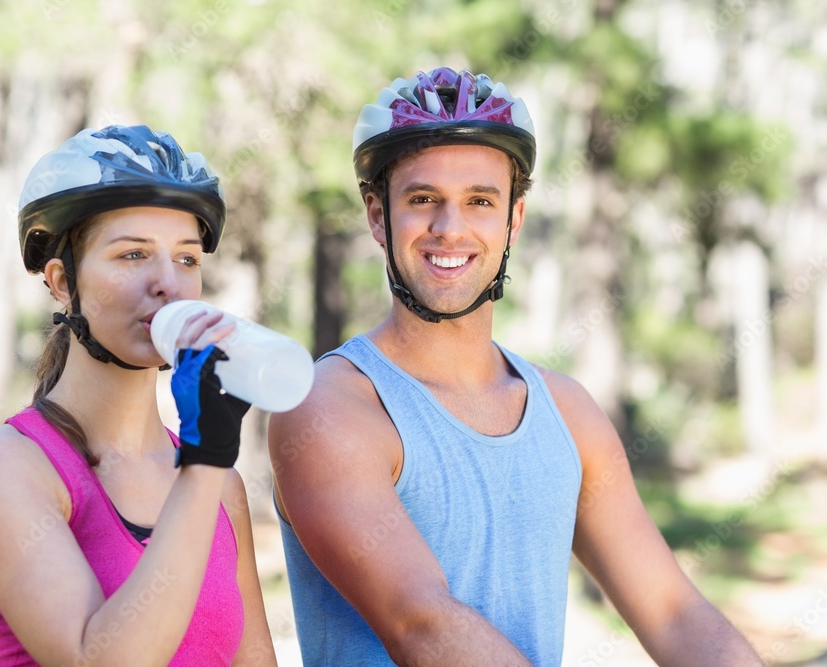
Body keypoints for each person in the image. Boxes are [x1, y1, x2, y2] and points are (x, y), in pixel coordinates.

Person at [269, 67, 762, 666]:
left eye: (480, 201)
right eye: (423, 199)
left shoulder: (568, 412)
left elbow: (674, 614)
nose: (450, 229)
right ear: (378, 215)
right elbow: (421, 624)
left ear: (514, 220)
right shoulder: (331, 407)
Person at [0, 125, 276, 666]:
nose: (169, 284)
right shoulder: (3, 466)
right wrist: (205, 458)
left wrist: (205, 464)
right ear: (61, 281)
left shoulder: (222, 489)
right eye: (132, 255)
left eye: (187, 259)